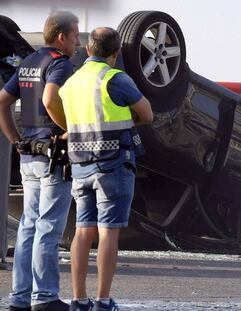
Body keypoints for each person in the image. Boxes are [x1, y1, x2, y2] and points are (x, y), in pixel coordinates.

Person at [52, 27, 153, 311]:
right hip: (113, 166)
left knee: (83, 232)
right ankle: (103, 301)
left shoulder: (71, 83)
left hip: (81, 165)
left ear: (87, 49)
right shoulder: (115, 78)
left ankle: (79, 299)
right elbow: (147, 114)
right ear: (116, 52)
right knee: (108, 233)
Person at [0, 11, 80, 311]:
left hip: (29, 156)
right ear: (61, 37)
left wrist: (16, 141)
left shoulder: (29, 63)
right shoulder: (59, 64)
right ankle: (45, 297)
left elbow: (2, 104)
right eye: (74, 35)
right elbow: (49, 99)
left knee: (28, 228)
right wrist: (70, 130)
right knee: (48, 227)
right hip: (53, 158)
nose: (76, 41)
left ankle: (20, 298)